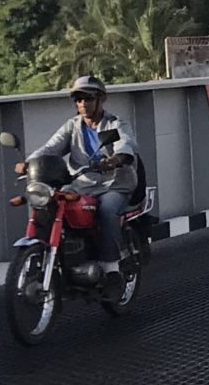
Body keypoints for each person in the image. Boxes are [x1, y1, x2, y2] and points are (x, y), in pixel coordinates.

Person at [27, 75, 136, 276]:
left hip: (113, 184)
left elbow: (125, 144)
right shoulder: (73, 126)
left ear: (101, 99)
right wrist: (29, 162)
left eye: (88, 98)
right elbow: (51, 148)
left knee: (108, 210)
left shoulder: (112, 124)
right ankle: (57, 255)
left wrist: (115, 159)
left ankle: (110, 267)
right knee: (50, 203)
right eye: (78, 99)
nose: (83, 103)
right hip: (81, 184)